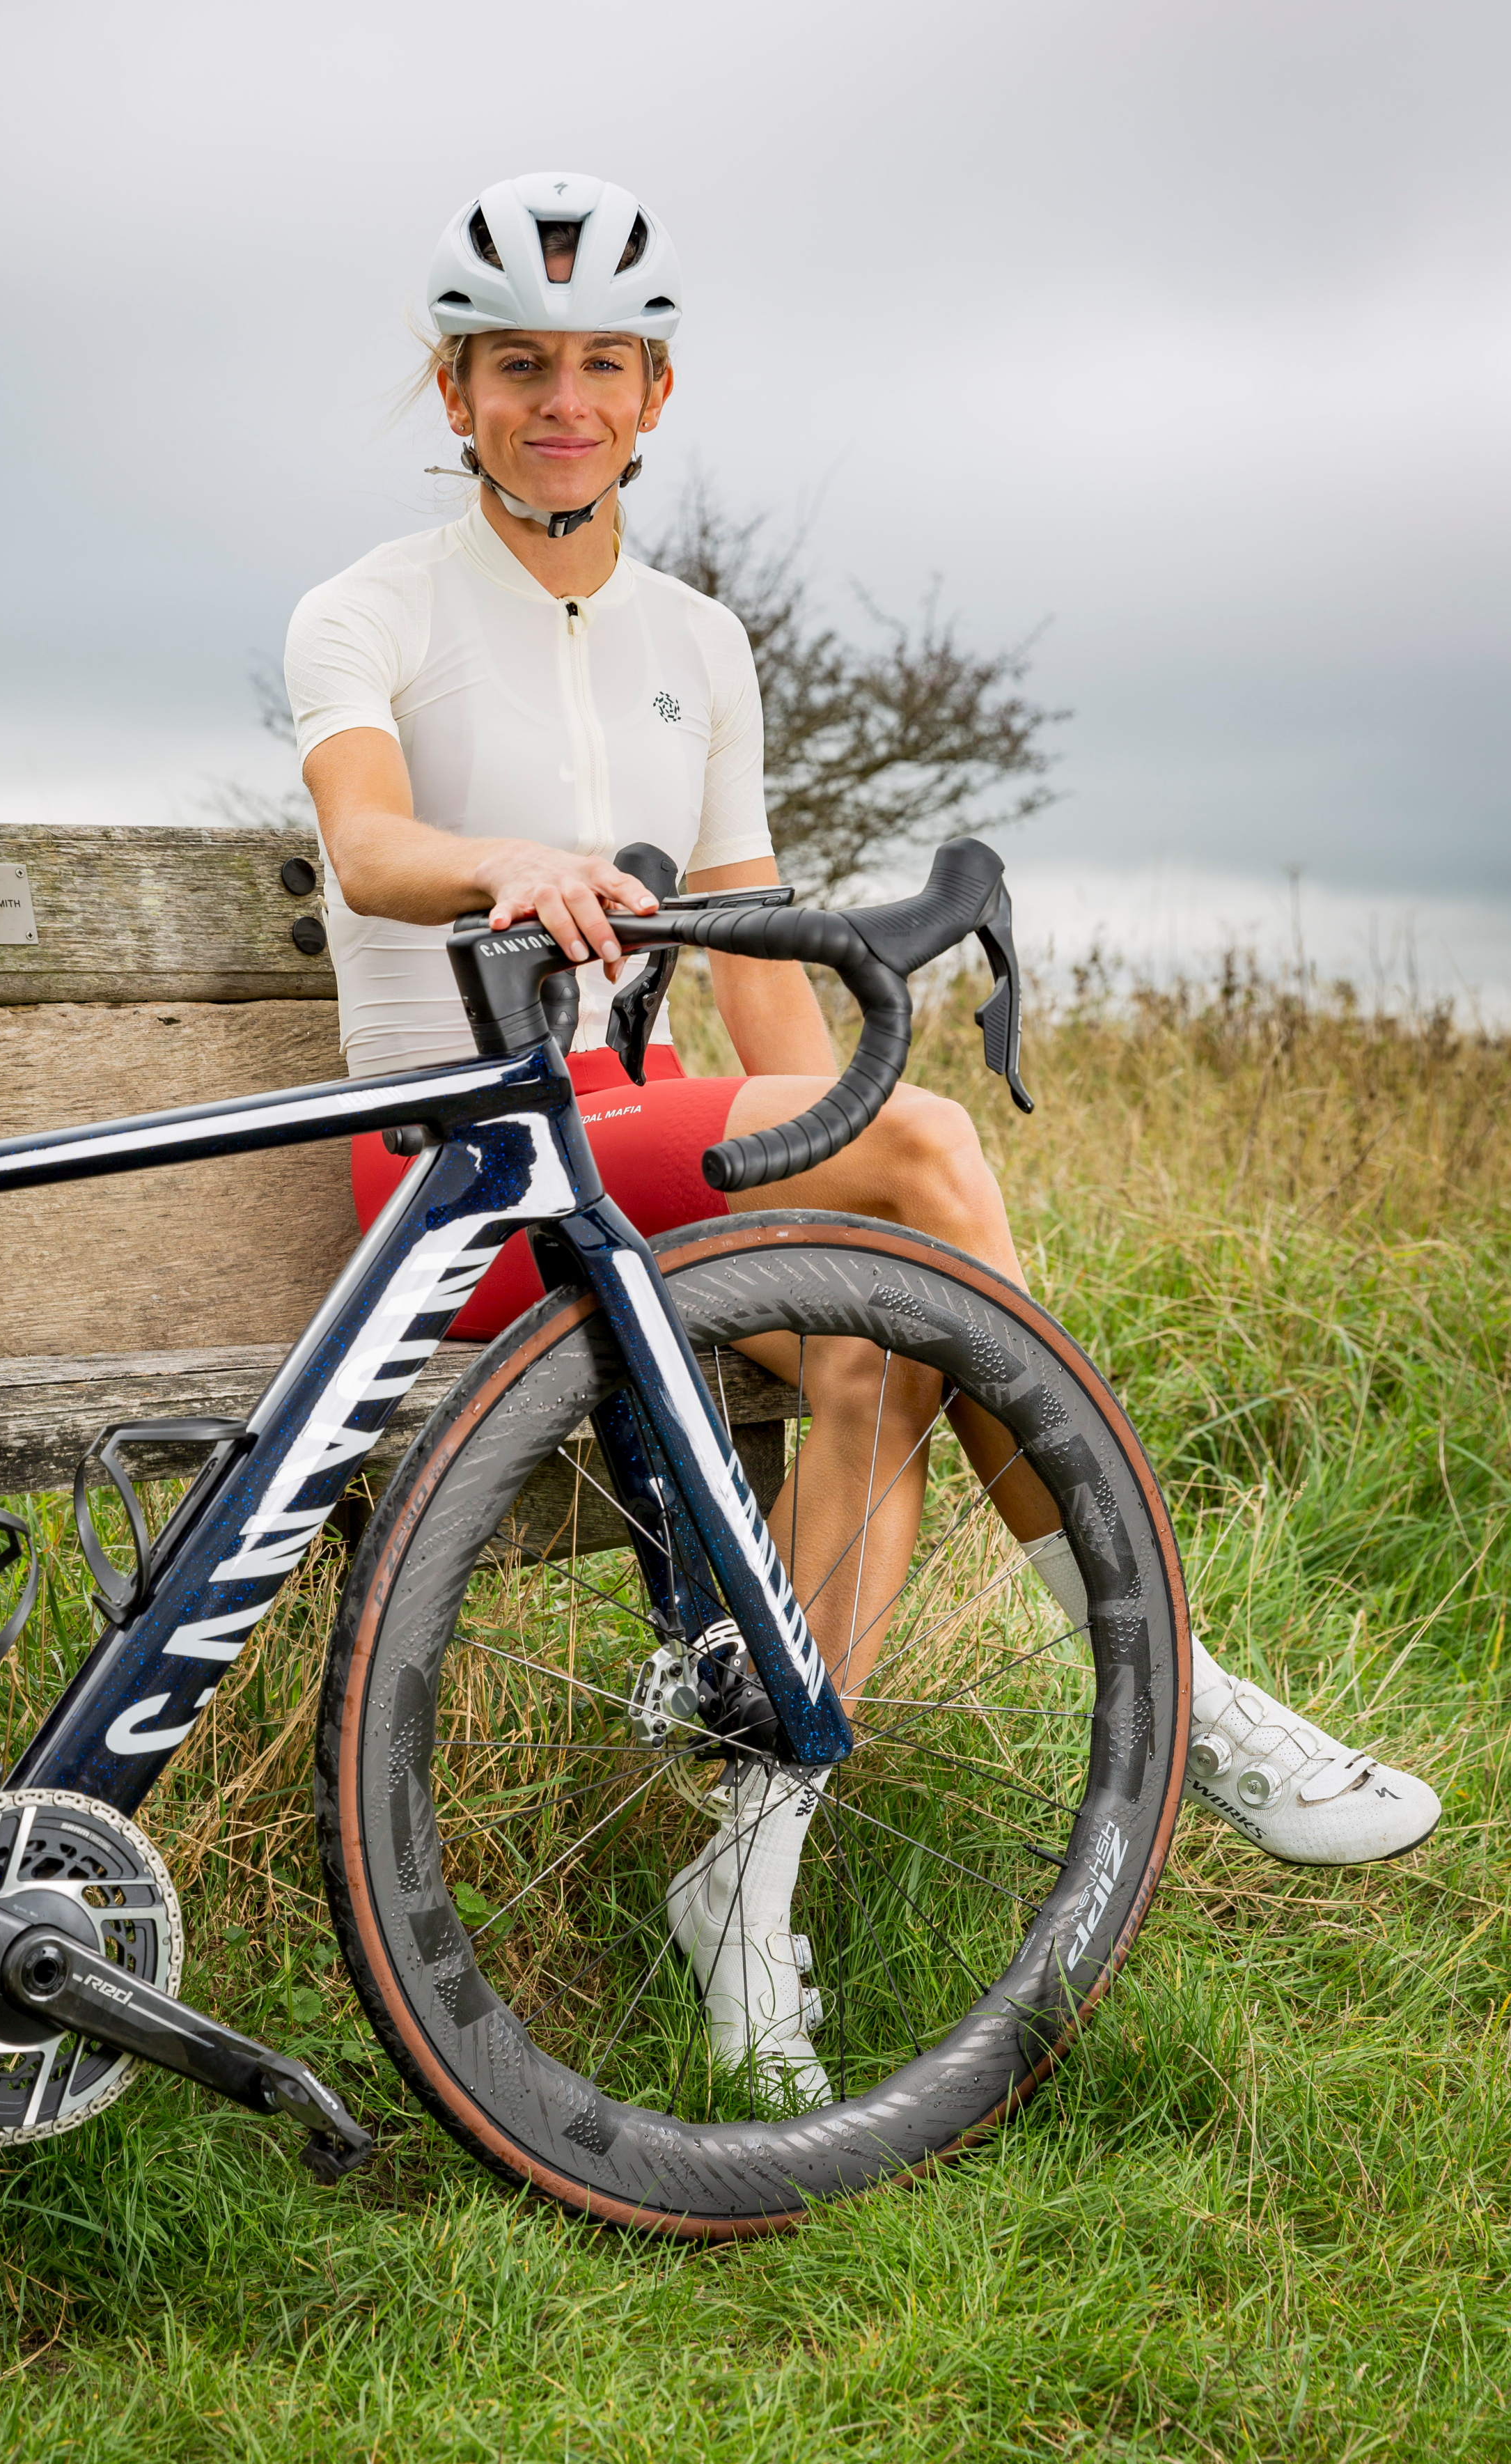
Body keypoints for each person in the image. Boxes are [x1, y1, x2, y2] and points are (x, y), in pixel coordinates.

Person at [285, 169, 1439, 2096]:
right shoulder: (370, 610)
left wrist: (814, 1129)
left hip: (642, 1144)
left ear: (656, 393)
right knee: (919, 1167)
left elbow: (754, 968)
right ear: (451, 389)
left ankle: (749, 1878)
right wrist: (510, 863)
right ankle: (1175, 1682)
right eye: (515, 366)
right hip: (464, 1166)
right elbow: (371, 841)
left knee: (874, 1332)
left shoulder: (700, 643)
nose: (559, 400)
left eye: (600, 364)